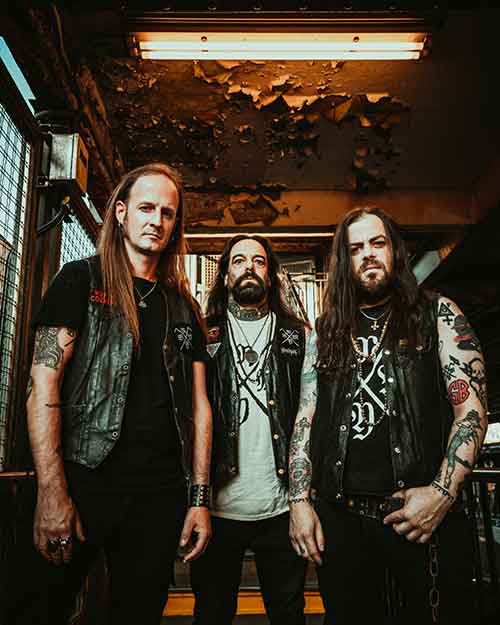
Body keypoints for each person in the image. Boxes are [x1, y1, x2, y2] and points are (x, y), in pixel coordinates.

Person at [7, 163, 212, 625]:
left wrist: (199, 499)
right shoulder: (80, 280)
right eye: (146, 208)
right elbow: (42, 385)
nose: (156, 220)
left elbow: (200, 407)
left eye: (167, 212)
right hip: (82, 480)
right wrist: (52, 492)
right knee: (34, 609)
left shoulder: (183, 306)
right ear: (121, 212)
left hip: (157, 495)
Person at [289, 207, 487, 625]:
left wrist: (441, 494)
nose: (367, 254)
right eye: (355, 248)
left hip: (419, 517)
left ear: (394, 250)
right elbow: (305, 419)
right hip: (342, 520)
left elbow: (470, 410)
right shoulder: (325, 331)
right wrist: (299, 502)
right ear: (344, 261)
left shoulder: (438, 314)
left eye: (377, 243)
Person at [190, 235, 309, 625]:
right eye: (239, 261)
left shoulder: (297, 335)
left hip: (281, 506)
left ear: (270, 276)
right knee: (211, 614)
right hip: (216, 509)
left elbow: (310, 414)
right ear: (225, 275)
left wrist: (304, 498)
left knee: (288, 614)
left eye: (259, 261)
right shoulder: (202, 332)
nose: (249, 269)